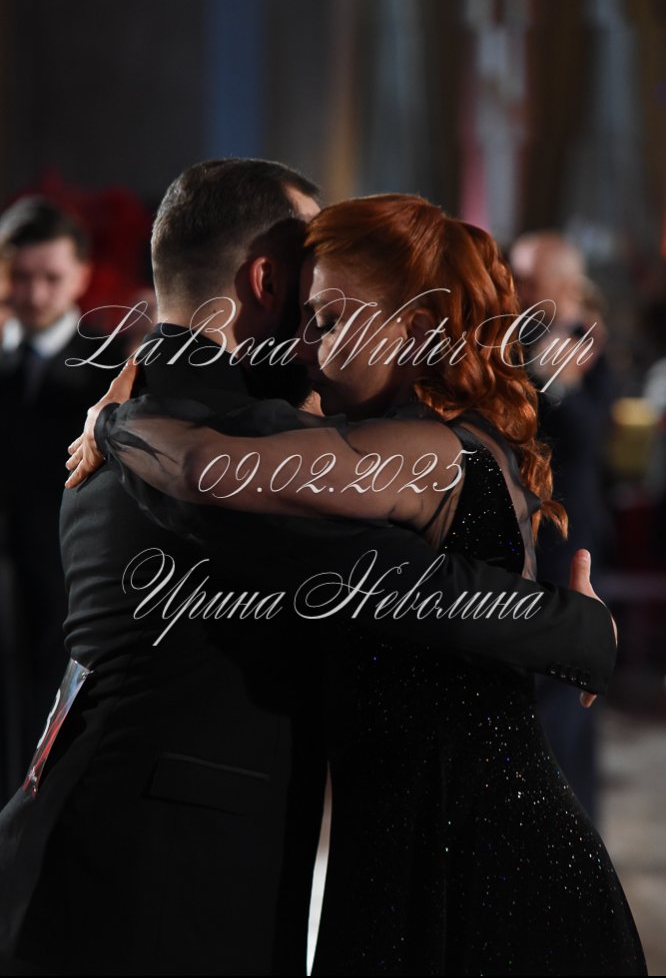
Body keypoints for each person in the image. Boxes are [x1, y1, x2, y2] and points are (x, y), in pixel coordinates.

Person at [0, 161, 616, 978]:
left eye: (330, 315)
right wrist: (578, 629)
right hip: (165, 878)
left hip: (415, 848)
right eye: (309, 301)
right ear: (268, 279)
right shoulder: (219, 434)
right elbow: (400, 586)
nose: (306, 339)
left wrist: (119, 413)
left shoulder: (173, 408)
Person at [0, 198, 125, 799]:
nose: (34, 293)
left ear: (81, 275)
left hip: (71, 578)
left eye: (50, 277)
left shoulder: (114, 369)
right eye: (20, 276)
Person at [510, 231, 616, 821]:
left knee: (567, 683)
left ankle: (568, 820)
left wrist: (558, 375)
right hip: (529, 529)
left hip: (570, 535)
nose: (519, 288)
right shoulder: (516, 338)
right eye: (517, 276)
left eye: (532, 279)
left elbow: (588, 433)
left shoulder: (581, 339)